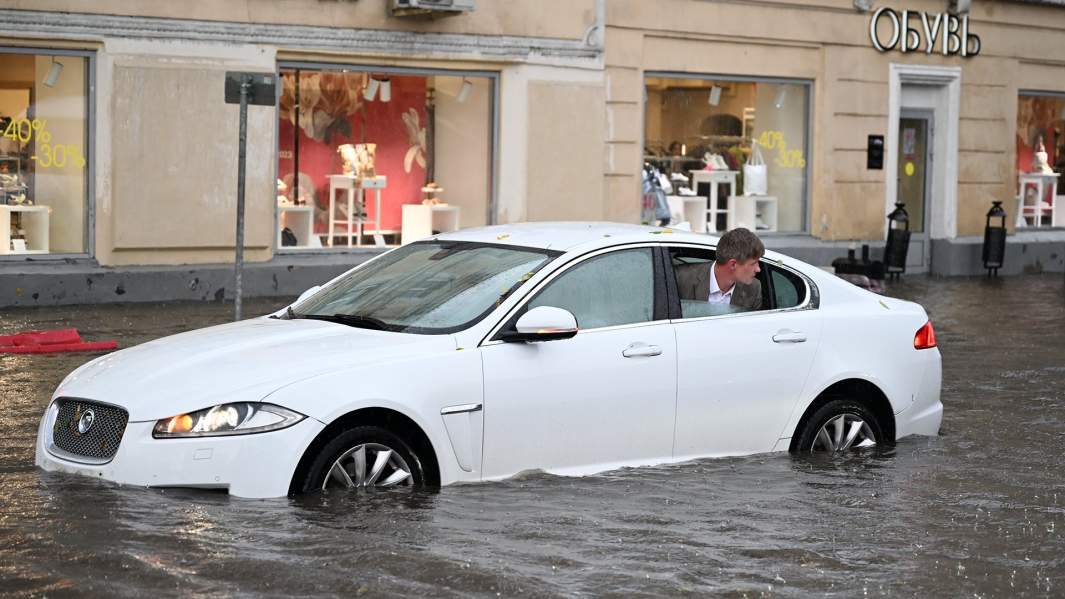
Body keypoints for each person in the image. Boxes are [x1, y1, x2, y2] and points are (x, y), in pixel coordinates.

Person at [675, 227, 763, 311]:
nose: (758, 269)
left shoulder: (753, 289)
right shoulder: (682, 278)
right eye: (753, 264)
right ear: (733, 264)